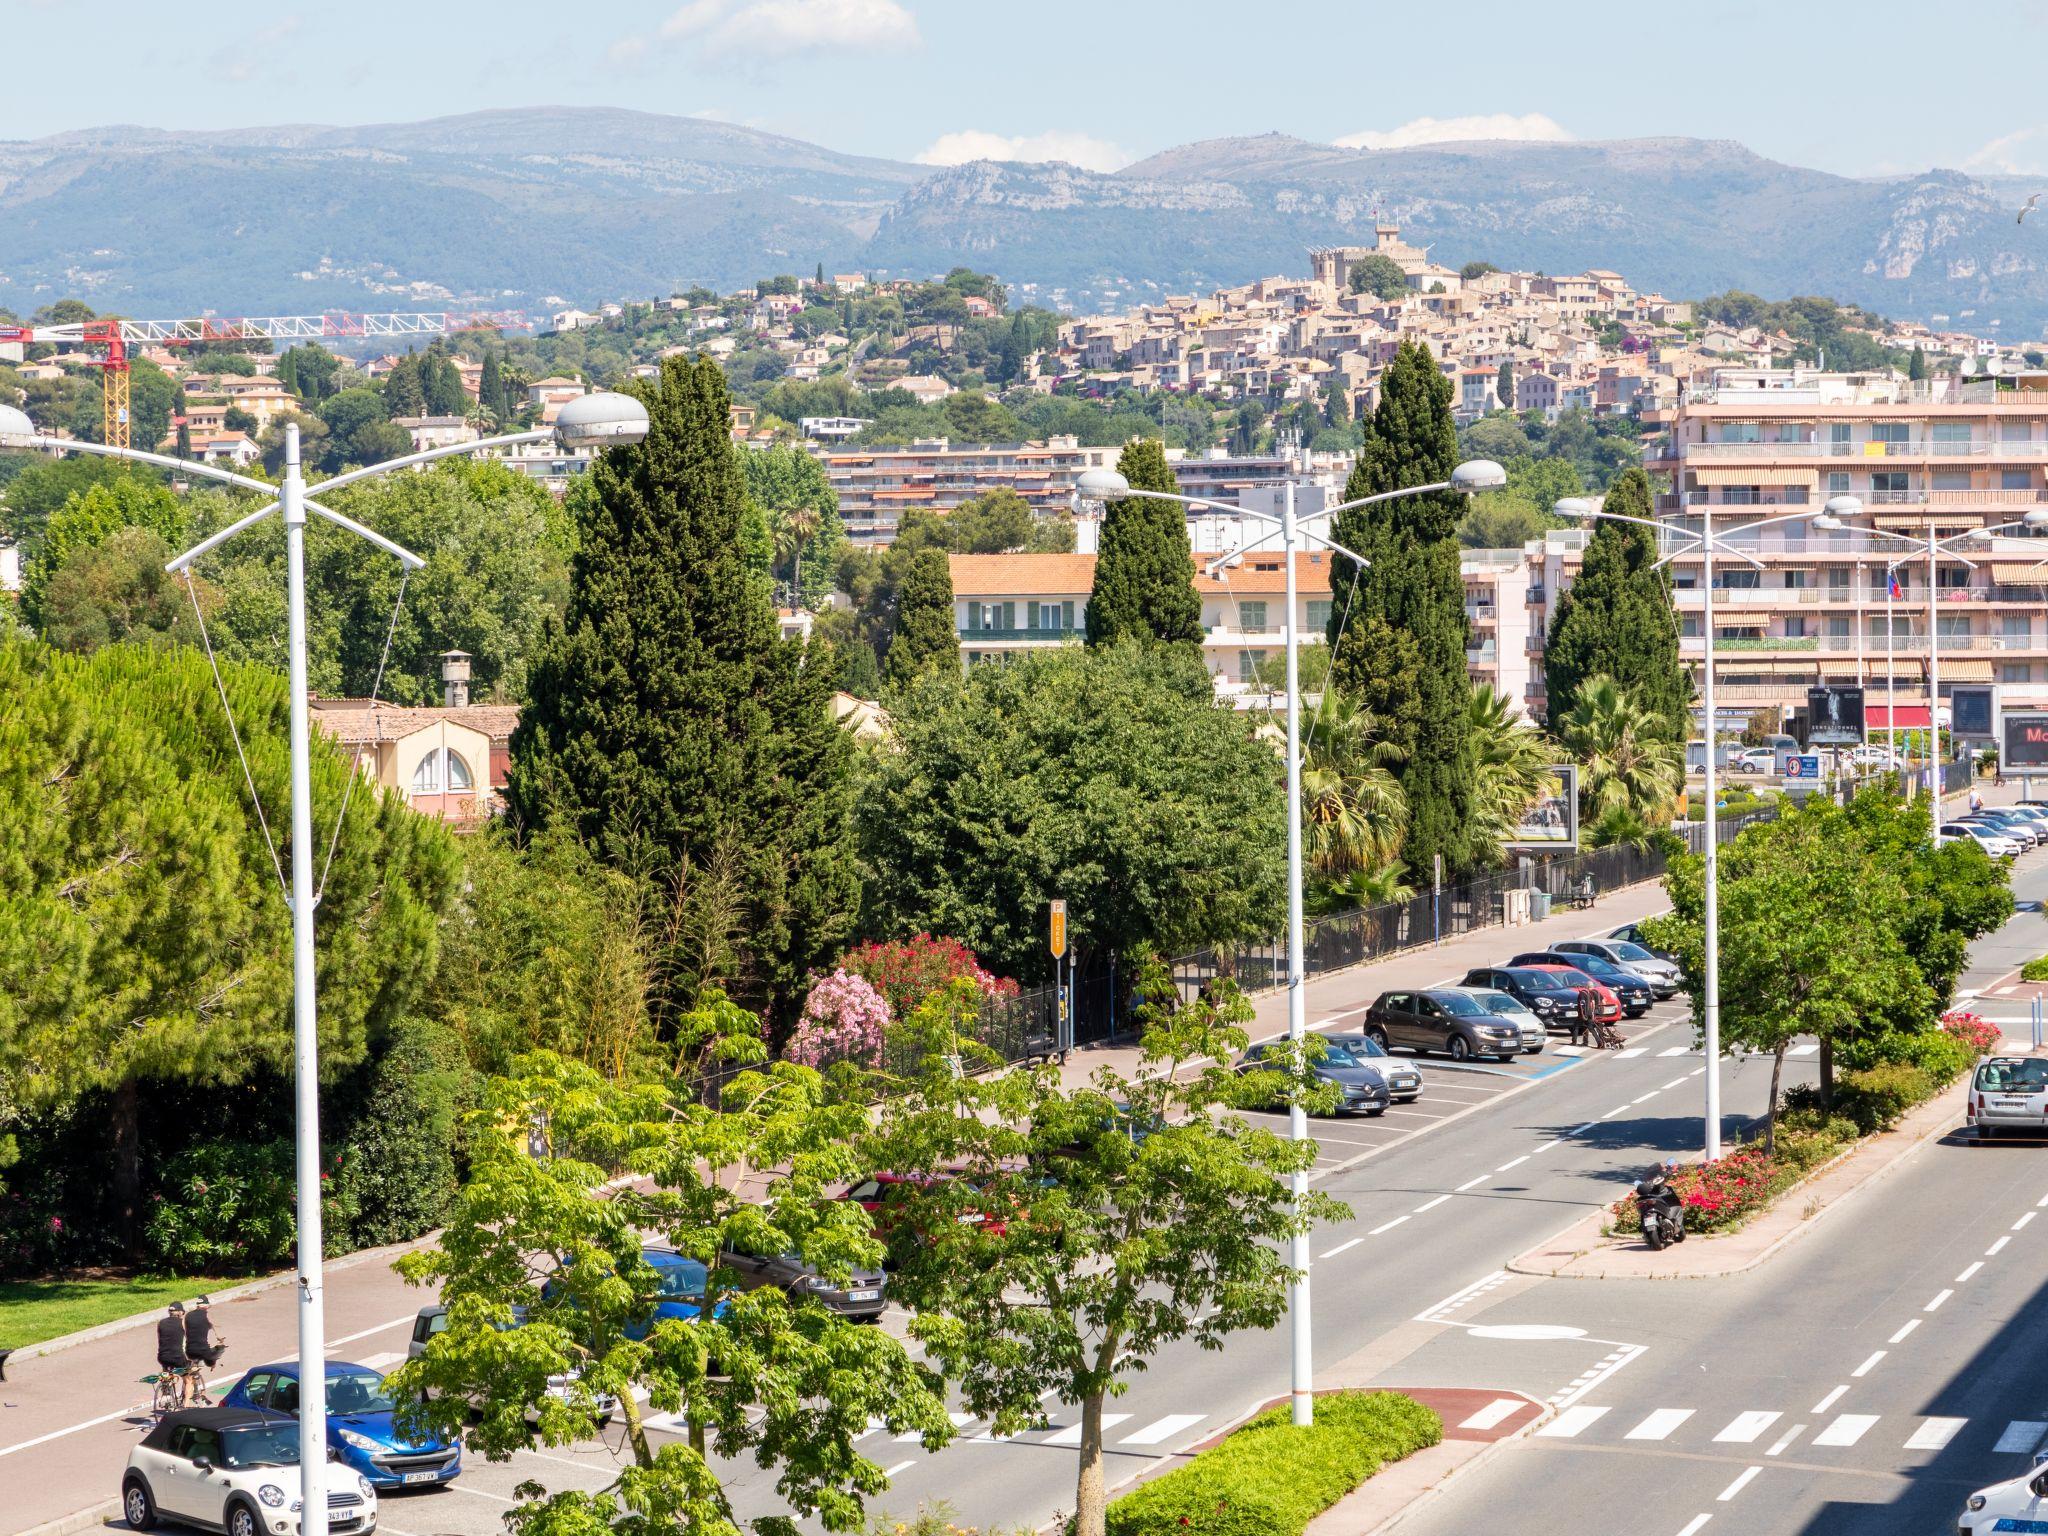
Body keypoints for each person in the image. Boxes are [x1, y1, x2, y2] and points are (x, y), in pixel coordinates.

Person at [183, 1296, 223, 1401]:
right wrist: (219, 1339)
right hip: (203, 1350)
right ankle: (195, 1391)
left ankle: (190, 1384)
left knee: (191, 1366)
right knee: (214, 1356)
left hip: (189, 1349)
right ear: (206, 1306)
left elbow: (185, 1331)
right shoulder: (207, 1316)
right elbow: (216, 1327)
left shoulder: (188, 1315)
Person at [155, 1303, 190, 1408]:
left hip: (162, 1356)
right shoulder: (183, 1323)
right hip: (177, 1356)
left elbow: (161, 1340)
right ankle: (186, 1407)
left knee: (168, 1369)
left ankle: (167, 1385)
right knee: (189, 1380)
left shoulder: (160, 1323)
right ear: (180, 1312)